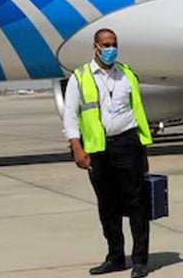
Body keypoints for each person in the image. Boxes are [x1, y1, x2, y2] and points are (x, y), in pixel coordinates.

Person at [63, 28, 152, 278]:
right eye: (106, 44)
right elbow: (70, 115)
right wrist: (77, 147)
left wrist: (142, 150)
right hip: (98, 149)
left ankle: (140, 260)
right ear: (96, 47)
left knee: (137, 204)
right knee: (108, 206)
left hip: (128, 144)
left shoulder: (126, 74)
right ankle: (115, 257)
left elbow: (137, 111)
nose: (110, 48)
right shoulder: (79, 77)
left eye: (114, 43)